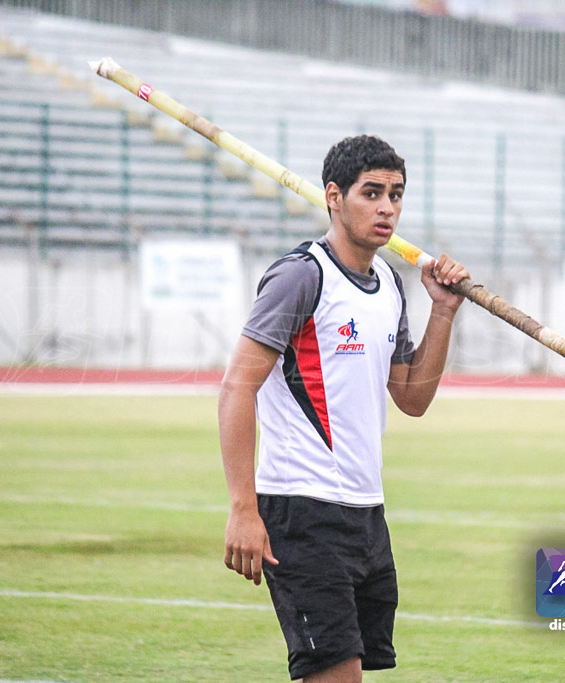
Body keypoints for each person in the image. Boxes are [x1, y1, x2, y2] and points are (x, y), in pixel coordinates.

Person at [219, 134, 469, 682]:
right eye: (371, 193)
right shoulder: (301, 277)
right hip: (303, 509)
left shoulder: (391, 287)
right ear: (334, 197)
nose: (387, 208)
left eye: (396, 195)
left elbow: (412, 398)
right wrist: (243, 508)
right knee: (337, 675)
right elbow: (237, 386)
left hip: (366, 512)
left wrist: (444, 312)